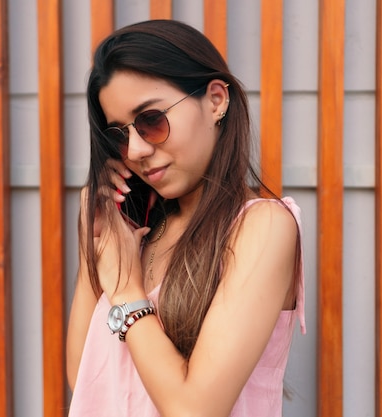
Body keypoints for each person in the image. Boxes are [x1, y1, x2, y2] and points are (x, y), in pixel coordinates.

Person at [66, 19, 305, 417]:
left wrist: (126, 289)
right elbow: (85, 377)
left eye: (151, 121)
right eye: (119, 135)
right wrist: (96, 243)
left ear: (215, 101)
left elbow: (195, 410)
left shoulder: (262, 227)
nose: (136, 149)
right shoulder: (136, 231)